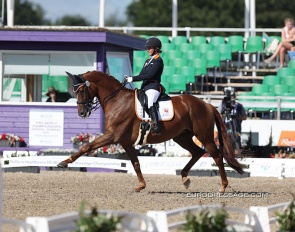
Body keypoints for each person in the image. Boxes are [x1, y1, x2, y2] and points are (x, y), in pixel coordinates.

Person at [124, 37, 164, 134]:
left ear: (156, 49)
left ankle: (156, 125)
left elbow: (150, 75)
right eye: (148, 48)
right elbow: (142, 75)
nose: (148, 50)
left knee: (150, 102)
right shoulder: (147, 61)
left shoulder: (158, 61)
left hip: (153, 87)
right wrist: (130, 77)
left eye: (150, 48)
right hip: (145, 87)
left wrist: (132, 79)